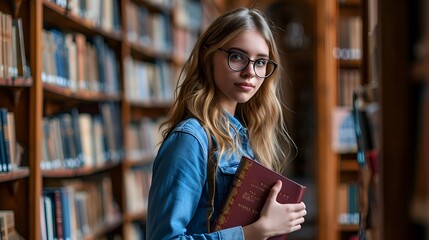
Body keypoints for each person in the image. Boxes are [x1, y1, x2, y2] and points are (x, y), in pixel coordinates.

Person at [146, 7, 307, 240]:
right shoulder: (190, 140)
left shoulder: (243, 136)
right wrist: (253, 233)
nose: (250, 72)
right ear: (206, 55)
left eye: (261, 62)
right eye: (237, 57)